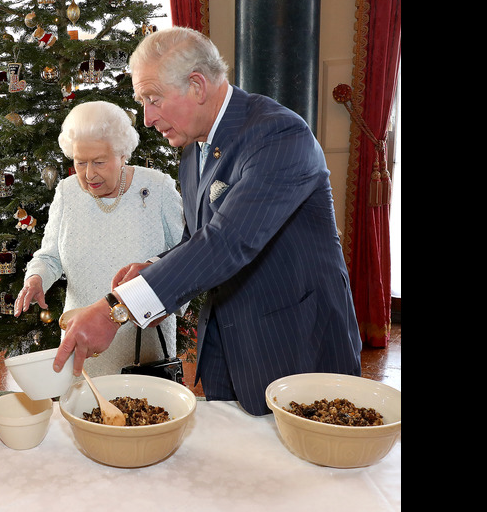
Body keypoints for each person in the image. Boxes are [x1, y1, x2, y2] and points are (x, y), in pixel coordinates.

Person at [54, 27, 361, 416]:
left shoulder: (278, 135)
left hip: (295, 345)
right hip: (229, 349)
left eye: (153, 99)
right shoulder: (194, 146)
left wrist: (117, 308)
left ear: (197, 86)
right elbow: (198, 239)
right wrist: (156, 267)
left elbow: (226, 242)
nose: (147, 118)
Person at [14, 101, 184, 377]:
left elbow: (186, 256)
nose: (89, 174)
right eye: (80, 162)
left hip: (143, 345)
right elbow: (50, 256)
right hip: (81, 339)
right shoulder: (67, 192)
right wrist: (36, 278)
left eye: (99, 162)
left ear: (122, 154)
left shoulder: (158, 187)